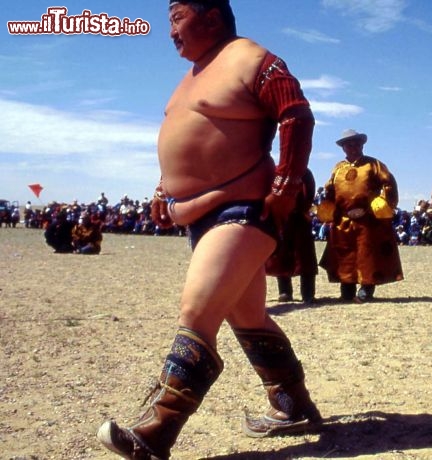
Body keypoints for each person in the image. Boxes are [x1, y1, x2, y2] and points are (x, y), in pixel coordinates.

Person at [96, 1, 321, 458]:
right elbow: (188, 137)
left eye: (177, 19)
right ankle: (292, 403)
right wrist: (163, 189)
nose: (171, 33)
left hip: (241, 207)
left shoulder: (251, 58)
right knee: (247, 316)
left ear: (212, 16)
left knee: (198, 310)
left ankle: (157, 430)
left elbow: (295, 114)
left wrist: (286, 183)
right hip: (201, 213)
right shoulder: (196, 73)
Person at [318, 129, 404, 303]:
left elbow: (389, 184)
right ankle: (347, 288)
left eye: (356, 143)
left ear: (362, 144)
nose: (352, 146)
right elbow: (330, 190)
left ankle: (366, 288)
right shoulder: (338, 168)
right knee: (345, 255)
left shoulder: (373, 164)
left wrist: (377, 208)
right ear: (343, 148)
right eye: (348, 144)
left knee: (367, 254)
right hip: (343, 219)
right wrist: (329, 210)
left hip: (368, 219)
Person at [266, 169, 318, 304]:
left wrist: (303, 208)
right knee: (281, 255)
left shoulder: (305, 172)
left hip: (300, 218)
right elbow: (271, 191)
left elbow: (310, 192)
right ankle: (285, 291)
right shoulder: (276, 173)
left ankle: (308, 293)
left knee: (305, 258)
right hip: (281, 219)